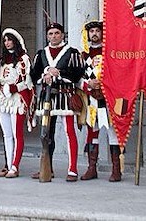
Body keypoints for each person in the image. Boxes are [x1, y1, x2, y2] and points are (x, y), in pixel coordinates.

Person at [30, 22, 85, 182]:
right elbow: (34, 75)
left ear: (62, 35)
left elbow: (77, 73)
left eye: (56, 33)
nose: (53, 36)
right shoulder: (41, 54)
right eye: (50, 34)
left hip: (65, 96)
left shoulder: (71, 52)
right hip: (47, 97)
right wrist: (45, 74)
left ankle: (73, 168)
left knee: (69, 131)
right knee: (47, 133)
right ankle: (48, 168)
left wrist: (58, 73)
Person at [78, 20, 123, 182]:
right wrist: (88, 84)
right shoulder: (83, 55)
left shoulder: (110, 52)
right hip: (91, 99)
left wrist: (105, 84)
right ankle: (92, 168)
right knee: (92, 133)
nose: (94, 34)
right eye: (92, 32)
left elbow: (118, 73)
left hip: (108, 97)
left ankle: (116, 169)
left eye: (97, 31)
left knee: (113, 132)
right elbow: (77, 77)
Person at [0, 28, 34, 178]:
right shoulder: (1, 60)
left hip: (17, 99)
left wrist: (13, 87)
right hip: (3, 99)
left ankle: (15, 166)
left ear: (15, 41)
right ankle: (8, 164)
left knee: (17, 134)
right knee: (6, 134)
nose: (7, 43)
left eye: (9, 40)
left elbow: (28, 82)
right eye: (5, 40)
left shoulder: (24, 59)